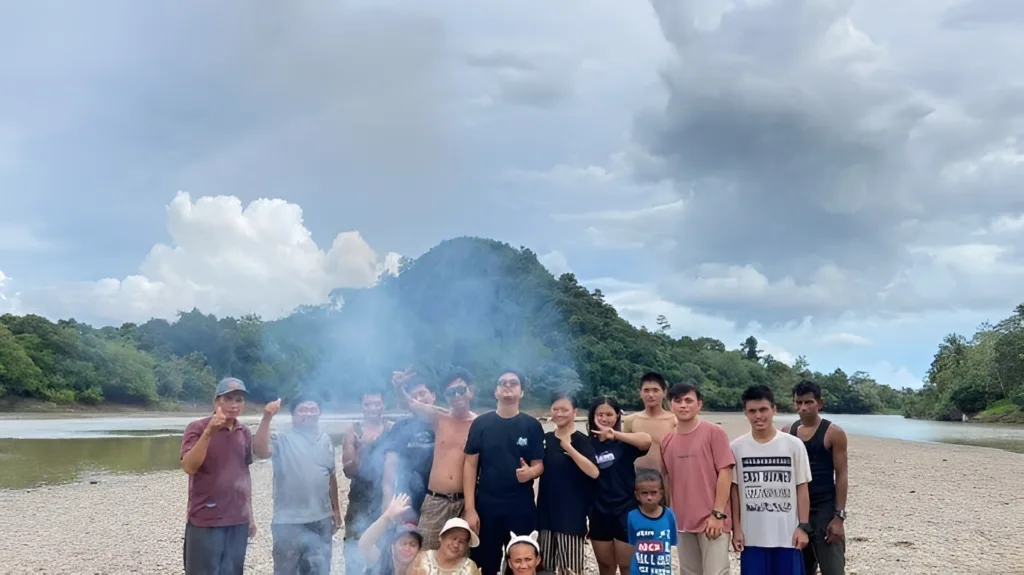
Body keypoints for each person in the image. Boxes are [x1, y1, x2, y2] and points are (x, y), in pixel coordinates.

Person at [463, 370, 545, 575]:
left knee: (521, 562)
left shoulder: (532, 425)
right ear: (495, 391)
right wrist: (470, 509)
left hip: (521, 505)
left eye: (513, 383)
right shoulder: (481, 424)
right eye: (502, 383)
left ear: (522, 392)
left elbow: (539, 465)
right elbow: (470, 465)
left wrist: (531, 473)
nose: (508, 386)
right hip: (487, 504)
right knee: (485, 562)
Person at [253, 395, 341, 575]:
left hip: (321, 520)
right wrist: (267, 417)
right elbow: (260, 451)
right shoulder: (282, 439)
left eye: (313, 409)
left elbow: (331, 477)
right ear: (292, 415)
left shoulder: (325, 440)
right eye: (302, 410)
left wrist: (336, 511)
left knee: (320, 569)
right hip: (288, 522)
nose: (308, 413)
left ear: (319, 413)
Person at [392, 367, 478, 549]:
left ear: (471, 391)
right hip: (435, 500)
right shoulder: (439, 418)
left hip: (465, 502)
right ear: (445, 396)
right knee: (425, 554)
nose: (457, 396)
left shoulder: (479, 425)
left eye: (461, 390)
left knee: (458, 556)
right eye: (451, 392)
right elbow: (410, 404)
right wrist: (399, 387)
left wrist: (472, 509)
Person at [730, 385, 812, 575]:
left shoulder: (793, 445)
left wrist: (803, 526)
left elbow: (802, 487)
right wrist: (737, 529)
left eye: (763, 410)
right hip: (752, 538)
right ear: (745, 413)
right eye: (752, 411)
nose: (758, 416)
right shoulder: (736, 447)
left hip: (787, 536)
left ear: (774, 409)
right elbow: (734, 491)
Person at [180, 377, 256, 575]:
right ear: (217, 402)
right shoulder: (196, 428)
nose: (233, 405)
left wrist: (250, 515)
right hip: (205, 519)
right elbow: (189, 466)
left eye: (238, 400)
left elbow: (244, 475)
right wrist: (209, 432)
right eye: (228, 399)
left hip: (237, 520)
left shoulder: (244, 432)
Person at [660, 382, 734, 575]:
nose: (683, 405)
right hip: (682, 521)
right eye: (678, 401)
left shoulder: (714, 433)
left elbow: (725, 473)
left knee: (716, 572)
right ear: (670, 405)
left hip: (712, 520)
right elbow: (668, 480)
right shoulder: (667, 441)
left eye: (688, 400)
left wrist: (718, 514)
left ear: (699, 404)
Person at [785, 380, 848, 575]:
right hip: (797, 510)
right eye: (799, 403)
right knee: (801, 569)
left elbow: (842, 475)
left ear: (819, 403)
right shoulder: (788, 432)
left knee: (833, 568)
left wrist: (839, 517)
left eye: (808, 402)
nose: (803, 408)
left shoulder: (833, 433)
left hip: (825, 510)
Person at [587, 396, 653, 575]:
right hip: (598, 512)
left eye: (609, 414)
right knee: (606, 567)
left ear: (617, 416)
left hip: (625, 510)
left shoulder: (624, 444)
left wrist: (614, 434)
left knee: (627, 567)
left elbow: (646, 440)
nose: (604, 418)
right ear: (593, 416)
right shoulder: (586, 445)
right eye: (599, 414)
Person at [536, 391, 599, 575]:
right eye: (556, 409)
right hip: (545, 513)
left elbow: (594, 472)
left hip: (572, 516)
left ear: (575, 412)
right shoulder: (546, 440)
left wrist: (569, 448)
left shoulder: (582, 440)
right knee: (544, 567)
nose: (560, 413)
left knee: (570, 569)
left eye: (565, 409)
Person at [343, 390, 394, 574]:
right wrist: (363, 448)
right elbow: (348, 471)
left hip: (385, 501)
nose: (373, 408)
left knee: (384, 553)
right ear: (361, 407)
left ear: (383, 405)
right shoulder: (353, 431)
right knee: (354, 552)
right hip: (359, 501)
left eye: (377, 404)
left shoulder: (392, 429)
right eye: (367, 404)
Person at [382, 374, 437, 522]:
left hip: (440, 502)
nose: (419, 399)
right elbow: (390, 465)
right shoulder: (401, 427)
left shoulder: (446, 424)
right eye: (414, 396)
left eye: (422, 393)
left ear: (433, 396)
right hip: (408, 501)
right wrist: (388, 503)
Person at [627, 468, 678, 575]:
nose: (649, 497)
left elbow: (672, 542)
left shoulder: (669, 515)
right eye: (644, 493)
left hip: (663, 571)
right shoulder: (632, 516)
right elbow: (632, 543)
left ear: (661, 493)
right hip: (639, 571)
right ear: (637, 495)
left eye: (653, 493)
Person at [623, 372, 677, 472]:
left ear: (664, 392)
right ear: (640, 393)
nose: (650, 395)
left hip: (666, 479)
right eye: (646, 390)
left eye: (655, 390)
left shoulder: (674, 421)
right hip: (636, 479)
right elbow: (624, 452)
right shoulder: (630, 420)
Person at [359, 494, 424, 575]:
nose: (407, 548)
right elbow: (364, 544)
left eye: (412, 545)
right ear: (393, 546)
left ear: (419, 550)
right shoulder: (382, 560)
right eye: (403, 543)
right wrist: (387, 516)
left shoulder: (420, 569)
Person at [408, 517, 483, 575]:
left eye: (461, 542)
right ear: (441, 537)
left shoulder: (469, 568)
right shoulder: (422, 560)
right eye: (453, 538)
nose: (456, 545)